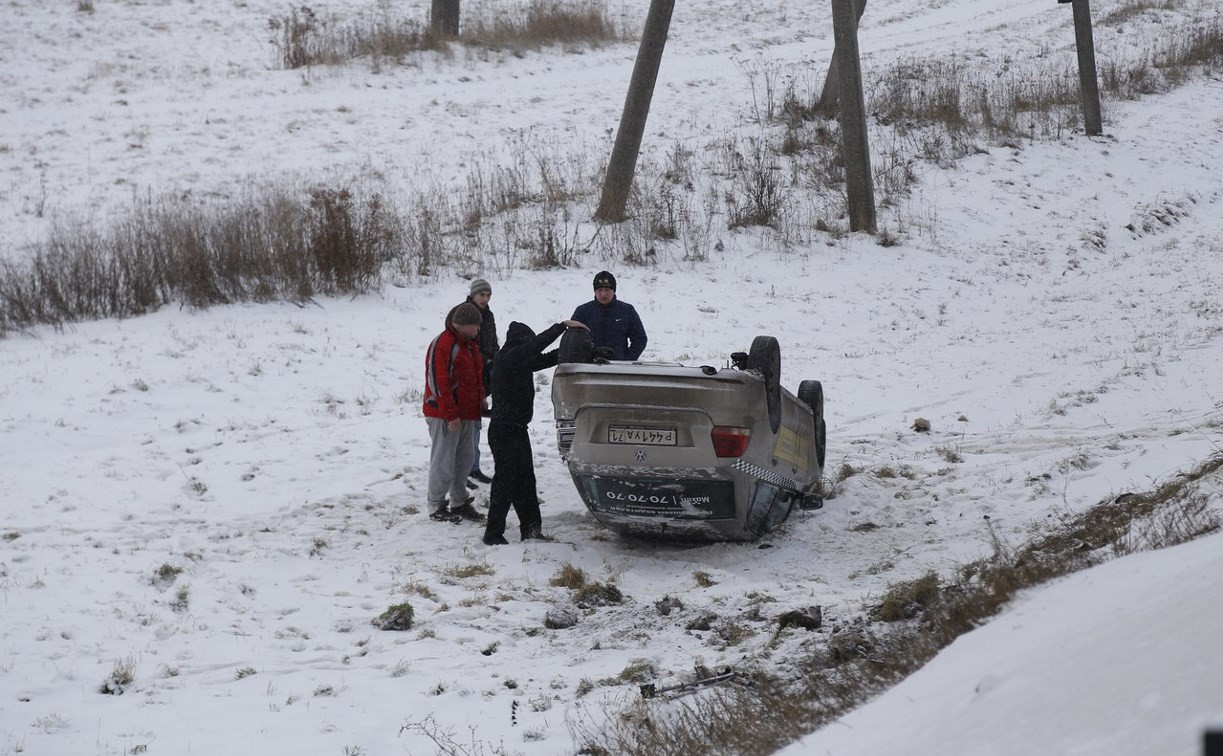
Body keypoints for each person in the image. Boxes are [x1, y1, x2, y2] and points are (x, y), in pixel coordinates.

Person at [482, 318, 589, 545]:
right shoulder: (509, 357)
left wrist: (580, 348)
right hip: (505, 430)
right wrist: (561, 327)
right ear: (521, 341)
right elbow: (535, 348)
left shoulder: (517, 361)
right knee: (505, 482)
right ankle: (493, 534)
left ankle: (531, 531)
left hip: (515, 429)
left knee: (525, 481)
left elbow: (548, 358)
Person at [422, 302, 487, 524]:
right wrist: (450, 412)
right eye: (475, 325)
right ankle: (436, 504)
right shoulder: (442, 344)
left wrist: (481, 399)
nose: (478, 329)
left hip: (467, 413)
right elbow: (438, 380)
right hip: (444, 414)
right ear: (464, 325)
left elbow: (475, 377)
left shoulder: (469, 345)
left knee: (464, 460)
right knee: (443, 460)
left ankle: (459, 501)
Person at [571, 270, 648, 361]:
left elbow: (640, 339)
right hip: (589, 367)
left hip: (618, 368)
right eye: (600, 290)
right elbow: (572, 341)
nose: (603, 294)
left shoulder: (627, 310)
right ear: (595, 291)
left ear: (614, 290)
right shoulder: (582, 311)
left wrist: (627, 360)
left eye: (607, 290)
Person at [466, 278, 498, 486]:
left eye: (488, 295)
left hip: (485, 373)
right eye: (482, 295)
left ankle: (473, 467)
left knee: (475, 423)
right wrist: (482, 358)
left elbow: (492, 339)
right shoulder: (465, 312)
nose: (485, 299)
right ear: (474, 295)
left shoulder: (489, 314)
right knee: (468, 425)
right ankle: (464, 468)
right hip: (469, 373)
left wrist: (495, 358)